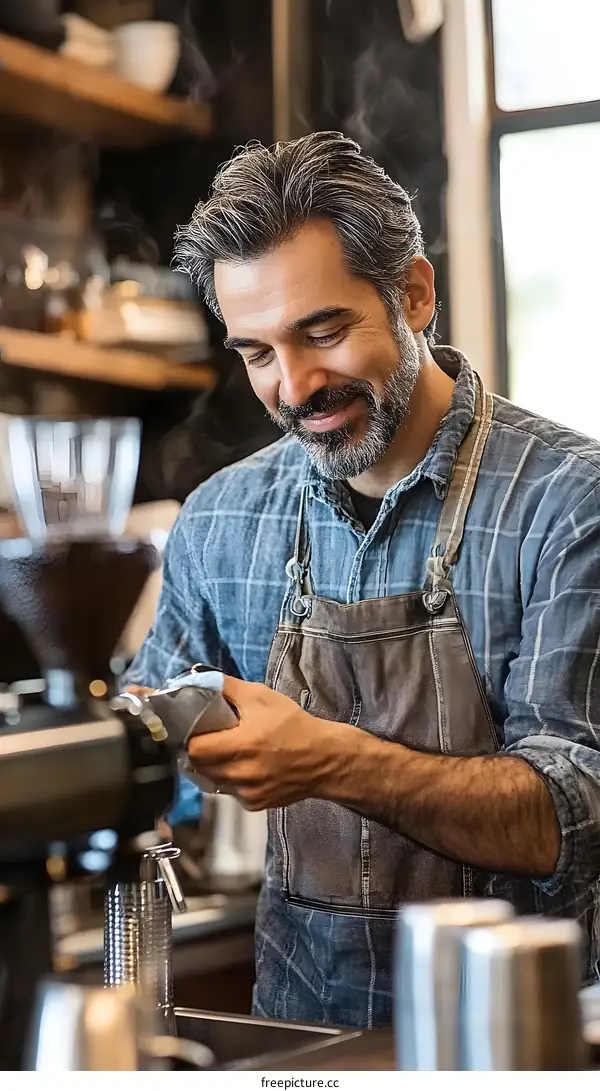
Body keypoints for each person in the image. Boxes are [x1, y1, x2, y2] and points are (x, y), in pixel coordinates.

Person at [124, 131, 600, 1029]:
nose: (295, 384)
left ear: (415, 293)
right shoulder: (222, 519)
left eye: (324, 331)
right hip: (297, 1043)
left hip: (516, 1046)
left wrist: (334, 760)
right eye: (257, 352)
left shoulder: (570, 507)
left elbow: (569, 816)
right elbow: (156, 765)